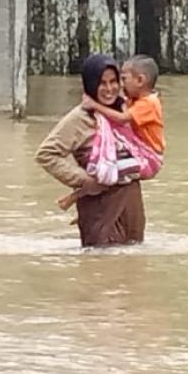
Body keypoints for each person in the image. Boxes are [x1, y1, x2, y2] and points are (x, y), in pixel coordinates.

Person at [35, 54, 146, 247]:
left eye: (113, 82)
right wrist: (83, 180)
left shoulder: (125, 112)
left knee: (133, 265)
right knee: (102, 265)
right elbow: (46, 154)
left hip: (131, 203)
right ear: (90, 84)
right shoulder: (80, 119)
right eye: (102, 83)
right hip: (99, 204)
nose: (109, 89)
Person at [82, 54, 165, 159]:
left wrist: (94, 105)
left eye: (124, 79)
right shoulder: (136, 99)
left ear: (140, 80)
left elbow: (122, 119)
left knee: (109, 169)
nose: (121, 84)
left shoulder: (149, 103)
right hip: (141, 150)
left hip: (150, 156)